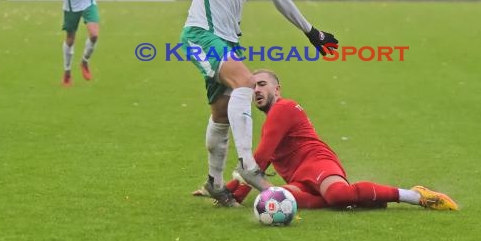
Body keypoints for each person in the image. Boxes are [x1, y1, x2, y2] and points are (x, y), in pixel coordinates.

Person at [91, 0, 339, 206]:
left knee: (221, 115)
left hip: (228, 42)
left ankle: (215, 183)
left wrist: (311, 31)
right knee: (246, 83)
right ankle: (248, 165)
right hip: (199, 35)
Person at [197, 69, 459, 211]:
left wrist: (231, 193)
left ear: (277, 89)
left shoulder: (284, 108)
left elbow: (261, 158)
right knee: (283, 198)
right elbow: (259, 164)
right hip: (299, 178)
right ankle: (365, 199)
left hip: (318, 163)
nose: (256, 90)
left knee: (337, 195)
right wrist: (226, 191)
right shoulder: (272, 118)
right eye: (253, 87)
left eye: (262, 84)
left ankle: (415, 196)